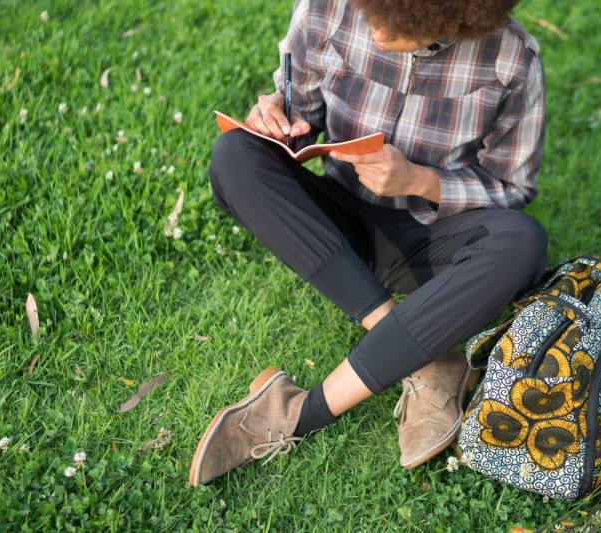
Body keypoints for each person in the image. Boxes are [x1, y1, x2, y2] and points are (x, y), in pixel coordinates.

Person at [189, 0, 548, 486]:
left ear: (446, 19)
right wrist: (274, 116)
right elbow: (297, 115)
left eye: (392, 22)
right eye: (371, 12)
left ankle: (302, 411)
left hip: (430, 242)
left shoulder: (512, 58)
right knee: (234, 155)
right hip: (335, 225)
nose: (374, 29)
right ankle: (425, 355)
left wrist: (420, 180)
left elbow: (512, 186)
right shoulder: (327, 8)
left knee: (523, 242)